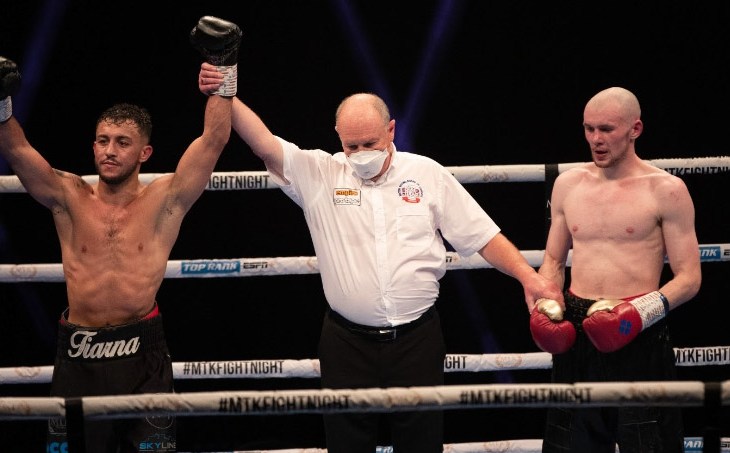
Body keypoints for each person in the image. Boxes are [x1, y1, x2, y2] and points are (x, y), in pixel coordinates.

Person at [198, 65, 563, 453]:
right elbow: (264, 144)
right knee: (346, 446)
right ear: (338, 137)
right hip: (346, 344)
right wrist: (226, 89)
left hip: (417, 340)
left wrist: (528, 276)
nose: (360, 154)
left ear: (391, 131)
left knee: (421, 445)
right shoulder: (321, 174)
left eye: (369, 143)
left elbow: (481, 235)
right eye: (351, 146)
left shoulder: (426, 174)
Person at [0, 16, 241, 453]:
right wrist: (1, 102)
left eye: (122, 142)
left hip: (143, 354)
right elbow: (17, 150)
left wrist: (225, 66)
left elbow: (213, 140)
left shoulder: (165, 200)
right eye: (102, 140)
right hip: (79, 353)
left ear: (144, 152)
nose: (109, 151)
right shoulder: (68, 196)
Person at [532, 87, 702, 453]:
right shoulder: (568, 185)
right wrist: (544, 307)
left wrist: (637, 315)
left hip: (640, 328)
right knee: (570, 444)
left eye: (606, 129)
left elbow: (689, 278)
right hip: (577, 332)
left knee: (649, 444)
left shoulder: (666, 190)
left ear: (635, 129)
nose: (596, 139)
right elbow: (553, 262)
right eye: (588, 128)